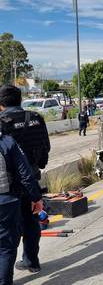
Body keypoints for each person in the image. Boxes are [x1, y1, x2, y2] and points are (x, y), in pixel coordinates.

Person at [0, 85, 50, 274]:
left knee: (7, 233)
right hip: (32, 179)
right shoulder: (37, 118)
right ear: (20, 100)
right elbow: (46, 148)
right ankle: (31, 261)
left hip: (8, 186)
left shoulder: (2, 122)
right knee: (31, 222)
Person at [0, 129, 44, 285]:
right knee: (6, 249)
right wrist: (36, 197)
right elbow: (25, 174)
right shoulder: (7, 142)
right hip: (6, 202)